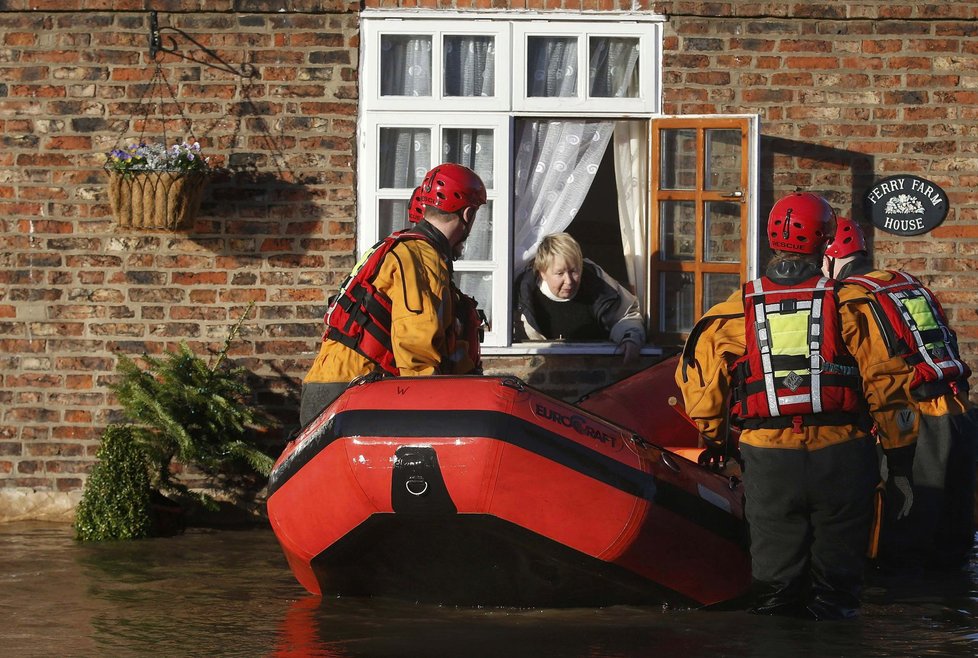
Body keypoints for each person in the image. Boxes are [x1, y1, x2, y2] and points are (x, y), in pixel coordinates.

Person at [675, 192, 919, 620]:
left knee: (774, 587)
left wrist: (716, 441)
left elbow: (700, 386)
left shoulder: (732, 312)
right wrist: (899, 465)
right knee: (838, 589)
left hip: (769, 461)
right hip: (842, 456)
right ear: (826, 240)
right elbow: (888, 383)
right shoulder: (853, 305)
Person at [824, 217, 977, 570]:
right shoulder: (905, 283)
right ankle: (951, 619)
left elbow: (873, 371)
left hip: (915, 424)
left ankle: (904, 620)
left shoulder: (849, 298)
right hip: (959, 414)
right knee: (953, 542)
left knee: (905, 539)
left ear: (830, 256)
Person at [299, 163, 487, 426]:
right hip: (350, 393)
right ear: (468, 214)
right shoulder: (421, 256)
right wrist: (435, 412)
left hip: (330, 383)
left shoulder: (397, 246)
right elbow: (416, 345)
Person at [514, 232, 646, 364]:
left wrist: (630, 337)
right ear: (542, 272)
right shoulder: (523, 295)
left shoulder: (598, 283)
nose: (569, 281)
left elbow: (626, 315)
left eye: (574, 271)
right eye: (560, 273)